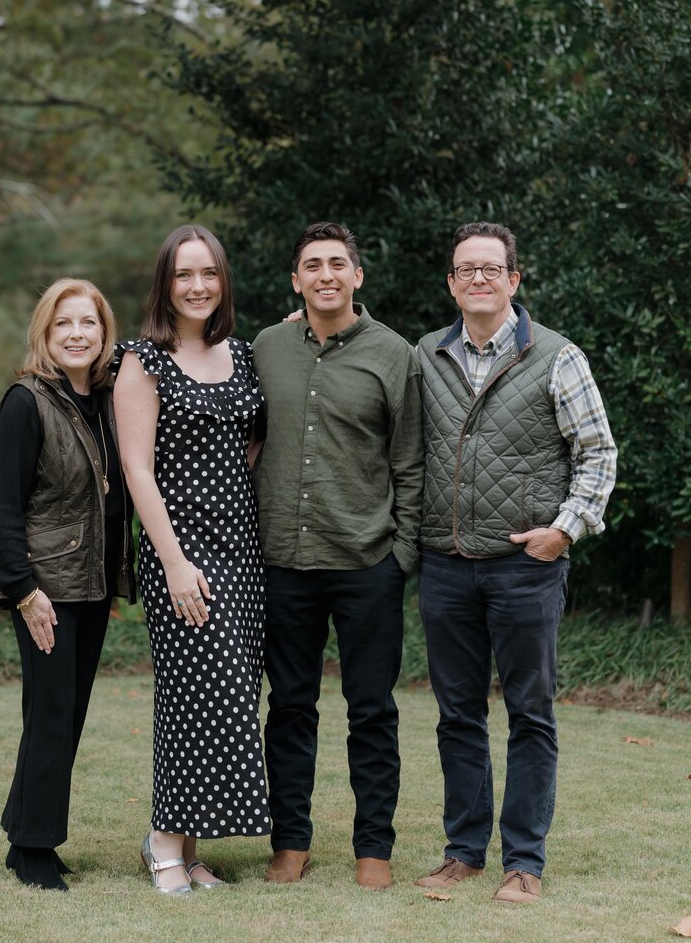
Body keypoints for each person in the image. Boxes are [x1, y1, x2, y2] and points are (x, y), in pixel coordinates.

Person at [415, 222, 617, 905]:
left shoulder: (558, 357)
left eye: (491, 268)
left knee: (530, 714)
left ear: (513, 279)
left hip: (525, 567)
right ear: (451, 283)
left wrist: (564, 530)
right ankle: (463, 853)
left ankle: (524, 862)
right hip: (446, 565)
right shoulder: (425, 355)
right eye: (466, 269)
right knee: (457, 716)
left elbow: (598, 454)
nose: (478, 278)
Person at [252, 222, 424, 891]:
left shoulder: (394, 354)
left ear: (357, 275)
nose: (325, 274)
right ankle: (290, 842)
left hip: (366, 562)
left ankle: (373, 848)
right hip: (283, 561)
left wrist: (400, 555)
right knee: (290, 707)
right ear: (296, 280)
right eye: (312, 265)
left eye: (336, 264)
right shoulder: (266, 348)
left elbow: (409, 460)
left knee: (371, 710)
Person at [113, 225, 270, 896]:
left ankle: (190, 845)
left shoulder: (243, 354)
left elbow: (249, 447)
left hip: (241, 550)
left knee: (230, 694)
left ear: (223, 280)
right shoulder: (142, 360)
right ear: (165, 284)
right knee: (191, 693)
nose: (198, 286)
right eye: (184, 275)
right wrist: (174, 561)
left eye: (209, 273)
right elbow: (136, 469)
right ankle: (162, 842)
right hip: (180, 550)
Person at [0, 278, 135, 891]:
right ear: (45, 334)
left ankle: (23, 835)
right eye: (63, 323)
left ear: (104, 333)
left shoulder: (110, 395)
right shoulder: (26, 402)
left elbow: (168, 353)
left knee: (66, 715)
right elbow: (3, 505)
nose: (77, 334)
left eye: (88, 323)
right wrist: (23, 590)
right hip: (45, 589)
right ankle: (36, 851)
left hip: (92, 585)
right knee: (50, 715)